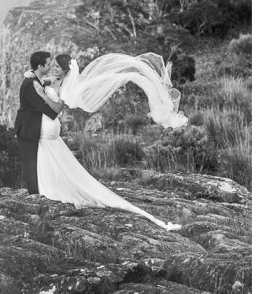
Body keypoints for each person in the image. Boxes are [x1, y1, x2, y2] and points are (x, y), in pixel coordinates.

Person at [25, 53, 182, 231]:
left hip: (49, 124)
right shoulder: (62, 78)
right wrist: (31, 76)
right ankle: (52, 187)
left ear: (61, 67)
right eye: (47, 64)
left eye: (53, 65)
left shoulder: (63, 83)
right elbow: (46, 80)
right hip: (51, 126)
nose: (51, 68)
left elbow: (56, 104)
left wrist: (42, 93)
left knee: (47, 155)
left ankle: (50, 189)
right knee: (53, 156)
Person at [14, 51, 65, 195]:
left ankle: (42, 191)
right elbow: (41, 107)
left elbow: (47, 81)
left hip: (35, 127)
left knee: (38, 163)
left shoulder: (36, 78)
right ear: (40, 66)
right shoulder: (30, 84)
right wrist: (56, 112)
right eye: (48, 64)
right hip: (26, 129)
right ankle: (34, 195)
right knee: (31, 164)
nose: (49, 66)